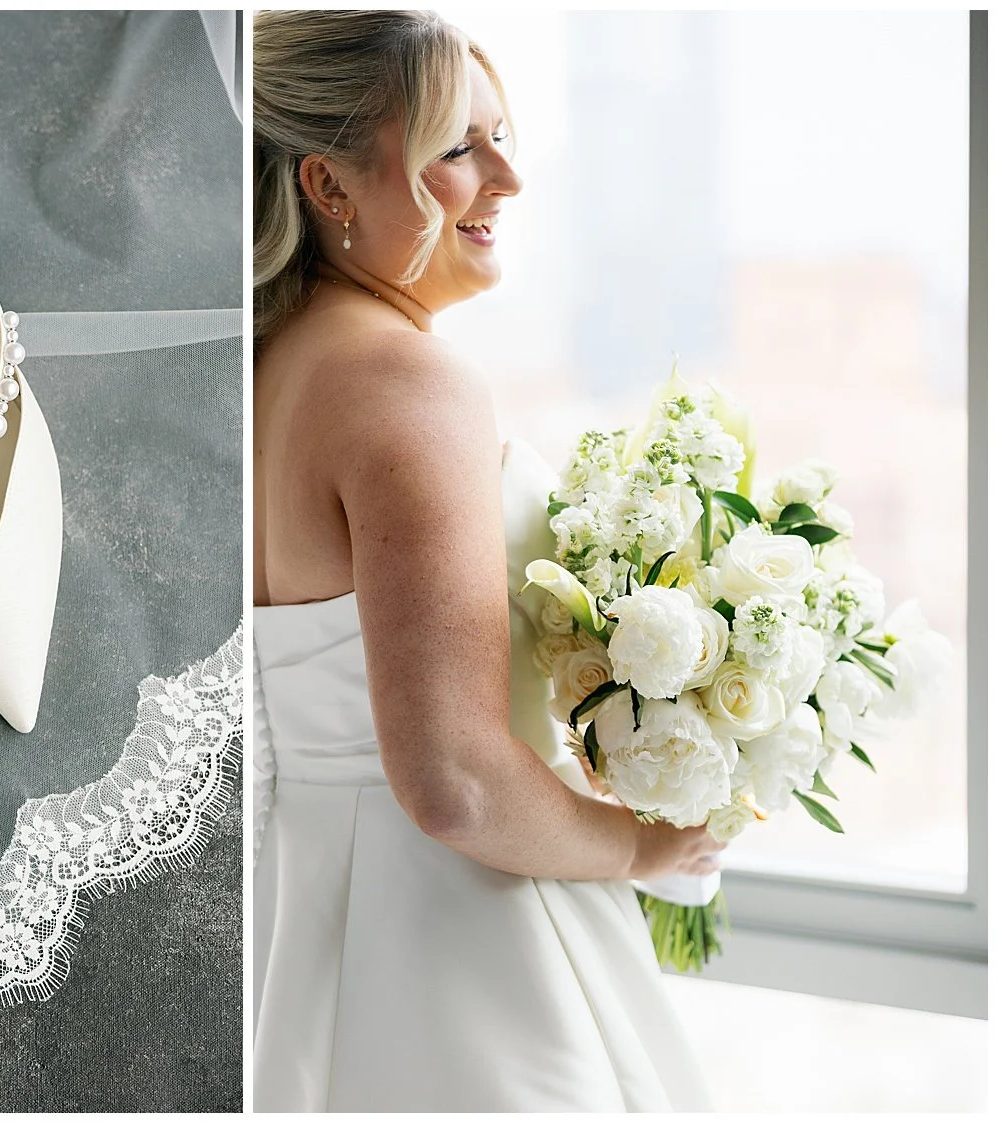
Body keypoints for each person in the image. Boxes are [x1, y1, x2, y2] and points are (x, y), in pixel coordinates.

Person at [252, 11, 719, 1111]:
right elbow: (456, 784)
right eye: (459, 150)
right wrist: (639, 847)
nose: (509, 175)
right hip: (460, 941)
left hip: (299, 908)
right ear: (329, 186)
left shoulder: (269, 368)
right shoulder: (404, 383)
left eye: (502, 136)